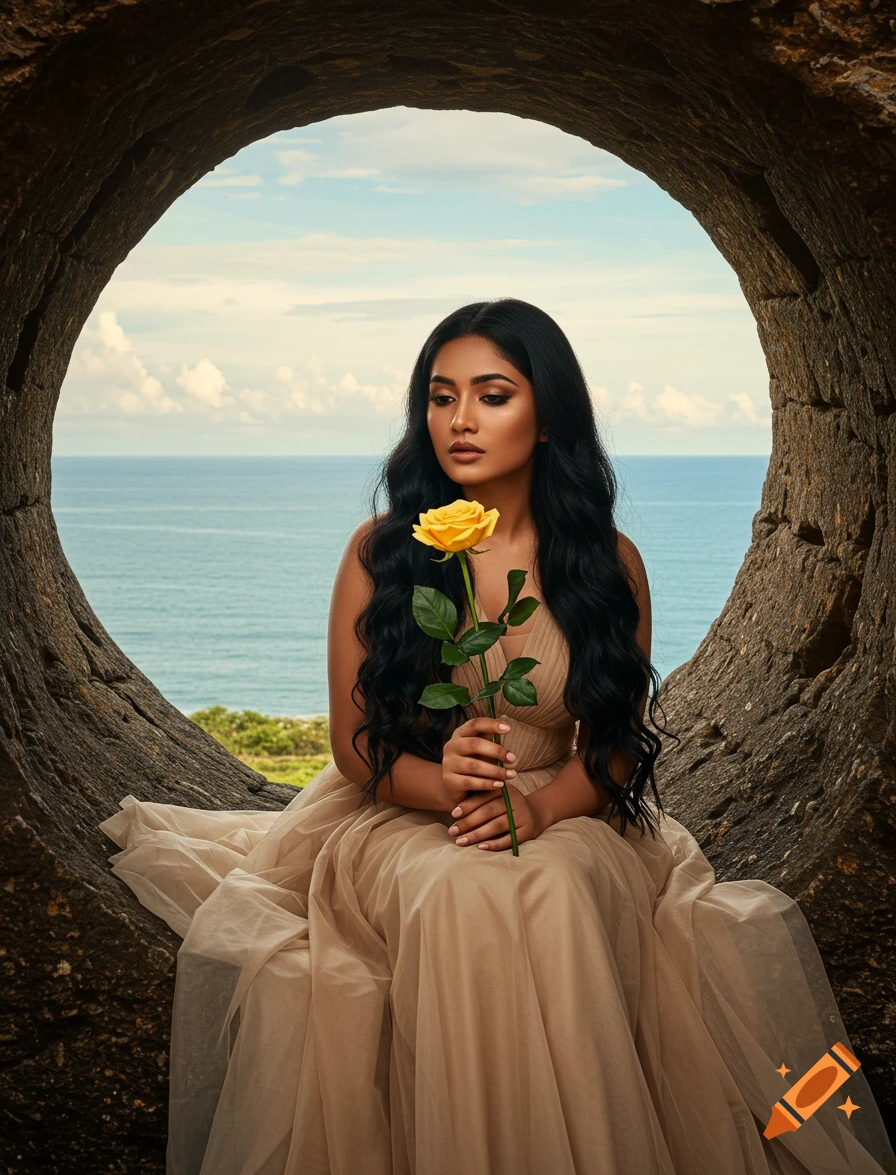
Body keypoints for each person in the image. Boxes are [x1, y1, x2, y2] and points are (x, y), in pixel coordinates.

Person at [98, 298, 895, 1175]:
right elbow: (355, 748)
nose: (461, 420)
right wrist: (442, 783)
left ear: (547, 417)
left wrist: (542, 808)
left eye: (492, 394)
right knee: (458, 891)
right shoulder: (382, 554)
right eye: (441, 397)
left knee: (551, 885)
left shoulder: (608, 565)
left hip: (562, 807)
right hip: (402, 812)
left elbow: (615, 746)